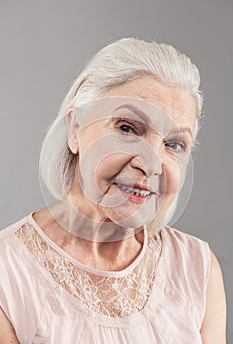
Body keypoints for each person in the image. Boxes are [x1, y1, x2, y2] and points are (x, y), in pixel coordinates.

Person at [0, 38, 226, 343]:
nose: (151, 164)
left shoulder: (198, 268)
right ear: (75, 128)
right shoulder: (7, 273)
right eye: (128, 128)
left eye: (174, 144)